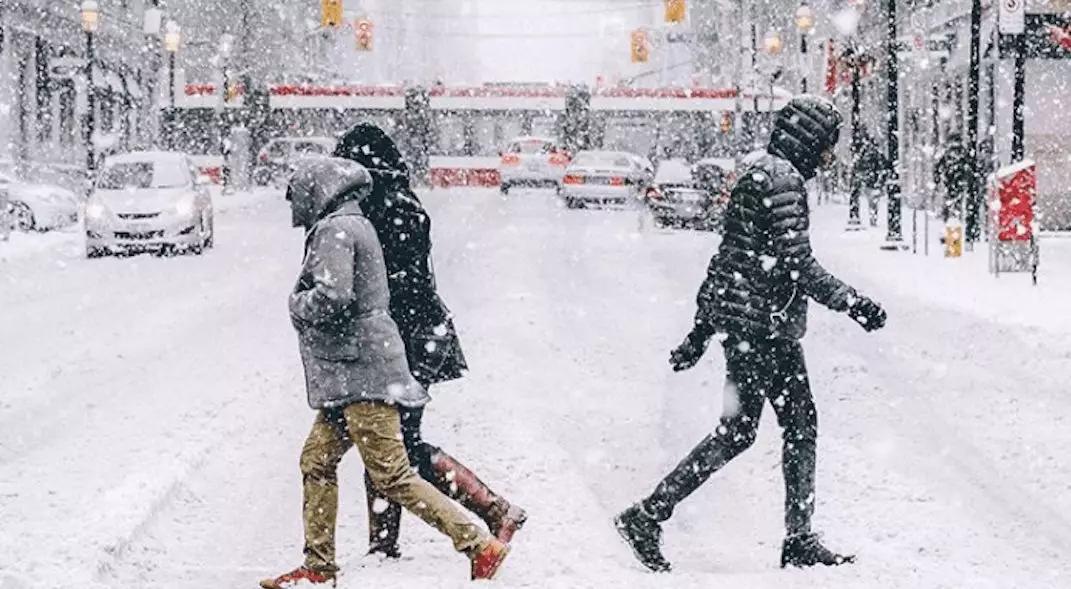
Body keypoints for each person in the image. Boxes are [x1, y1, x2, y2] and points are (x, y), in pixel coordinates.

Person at [614, 96, 888, 573]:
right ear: (808, 141)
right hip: (768, 329)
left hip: (746, 327)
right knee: (790, 427)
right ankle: (787, 535)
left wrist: (701, 332)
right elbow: (796, 264)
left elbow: (726, 262)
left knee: (741, 431)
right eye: (825, 147)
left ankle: (651, 514)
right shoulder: (783, 182)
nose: (826, 158)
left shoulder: (757, 175)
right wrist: (853, 302)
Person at [260, 158, 510, 588]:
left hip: (360, 372)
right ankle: (318, 568)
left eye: (295, 200)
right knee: (316, 460)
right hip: (353, 373)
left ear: (314, 191)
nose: (293, 211)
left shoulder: (335, 230)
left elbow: (333, 296)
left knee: (392, 475)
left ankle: (478, 545)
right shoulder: (354, 223)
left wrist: (295, 305)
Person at [333, 123, 526, 559]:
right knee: (392, 443)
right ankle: (387, 543)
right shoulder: (400, 205)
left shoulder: (382, 211)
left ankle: (492, 510)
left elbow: (391, 286)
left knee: (395, 447)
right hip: (415, 336)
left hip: (402, 341)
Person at [852, 129, 889, 227]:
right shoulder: (878, 154)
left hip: (869, 180)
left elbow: (859, 165)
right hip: (875, 181)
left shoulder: (865, 153)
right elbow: (884, 166)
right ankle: (873, 216)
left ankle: (872, 215)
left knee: (871, 201)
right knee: (874, 201)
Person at [935, 133, 971, 222]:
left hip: (952, 181)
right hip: (957, 182)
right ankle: (954, 217)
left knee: (952, 201)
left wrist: (937, 177)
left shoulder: (949, 154)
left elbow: (939, 167)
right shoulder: (962, 153)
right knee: (955, 202)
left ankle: (951, 218)